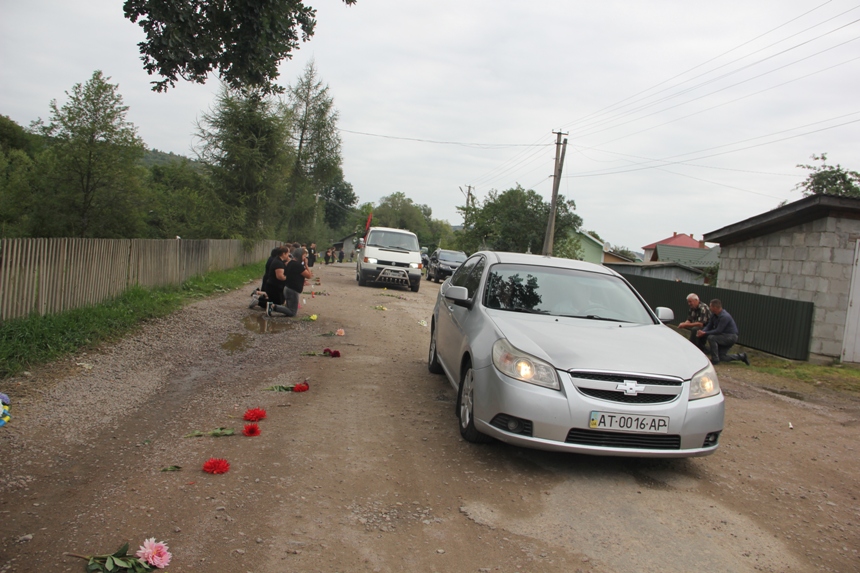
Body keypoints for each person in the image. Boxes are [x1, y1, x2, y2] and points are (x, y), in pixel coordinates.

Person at [697, 299, 750, 365]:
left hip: (731, 336)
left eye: (711, 306)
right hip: (723, 336)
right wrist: (702, 331)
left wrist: (705, 333)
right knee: (722, 357)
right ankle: (742, 356)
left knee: (711, 338)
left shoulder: (724, 316)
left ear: (715, 307)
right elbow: (709, 326)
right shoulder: (714, 315)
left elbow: (718, 330)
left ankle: (715, 359)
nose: (709, 308)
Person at [267, 247, 311, 317]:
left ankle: (273, 306)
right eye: (304, 256)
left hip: (288, 288)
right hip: (293, 290)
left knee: (289, 308)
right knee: (292, 312)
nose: (305, 258)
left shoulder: (290, 263)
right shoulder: (298, 265)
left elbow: (293, 275)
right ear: (299, 255)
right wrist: (306, 265)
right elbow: (309, 275)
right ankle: (273, 306)